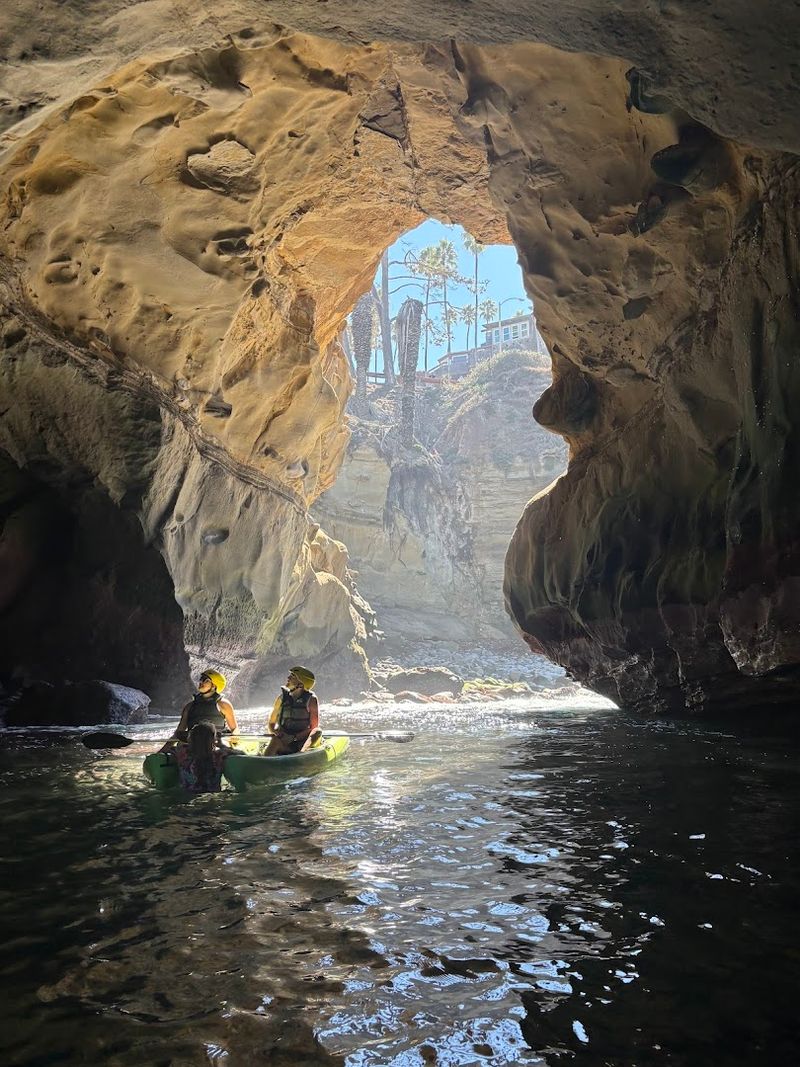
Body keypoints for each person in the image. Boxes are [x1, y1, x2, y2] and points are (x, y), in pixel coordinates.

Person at [164, 668, 237, 746]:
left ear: (214, 686)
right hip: (192, 745)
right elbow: (179, 732)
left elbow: (234, 730)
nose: (201, 682)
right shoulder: (190, 706)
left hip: (215, 745)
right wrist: (163, 751)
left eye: (206, 680)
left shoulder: (223, 704)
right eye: (201, 679)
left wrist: (234, 745)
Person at [265, 666, 321, 756]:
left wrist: (294, 737)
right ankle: (266, 761)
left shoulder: (311, 699)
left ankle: (302, 755)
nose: (288, 678)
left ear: (301, 683)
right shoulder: (281, 698)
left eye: (293, 676)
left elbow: (313, 728)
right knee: (275, 740)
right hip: (285, 742)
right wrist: (275, 732)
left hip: (302, 742)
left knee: (317, 731)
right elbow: (271, 723)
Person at [165, 721, 232, 793]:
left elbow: (164, 750)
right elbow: (242, 753)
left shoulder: (183, 752)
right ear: (213, 740)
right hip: (212, 798)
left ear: (190, 738)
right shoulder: (219, 755)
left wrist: (180, 736)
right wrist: (221, 745)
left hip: (187, 795)